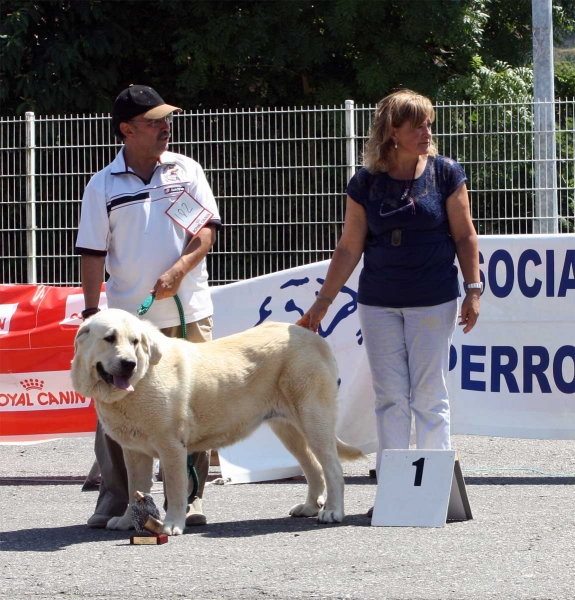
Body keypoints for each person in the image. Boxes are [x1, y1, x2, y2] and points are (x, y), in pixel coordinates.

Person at [296, 90, 481, 510]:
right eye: (416, 125)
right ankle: (396, 494)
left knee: (430, 395)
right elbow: (348, 247)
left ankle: (431, 496)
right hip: (379, 302)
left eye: (428, 123)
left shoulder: (447, 173)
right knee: (391, 397)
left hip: (433, 301)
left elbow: (465, 235)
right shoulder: (365, 182)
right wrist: (322, 303)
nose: (426, 132)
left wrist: (473, 289)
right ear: (392, 132)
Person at [75, 84, 222, 528]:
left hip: (189, 310)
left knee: (199, 405)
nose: (165, 127)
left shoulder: (186, 170)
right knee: (114, 407)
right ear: (126, 129)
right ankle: (119, 499)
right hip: (127, 324)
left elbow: (206, 233)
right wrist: (90, 312)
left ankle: (190, 498)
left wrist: (179, 270)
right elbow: (92, 254)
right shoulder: (102, 184)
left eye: (166, 120)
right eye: (154, 121)